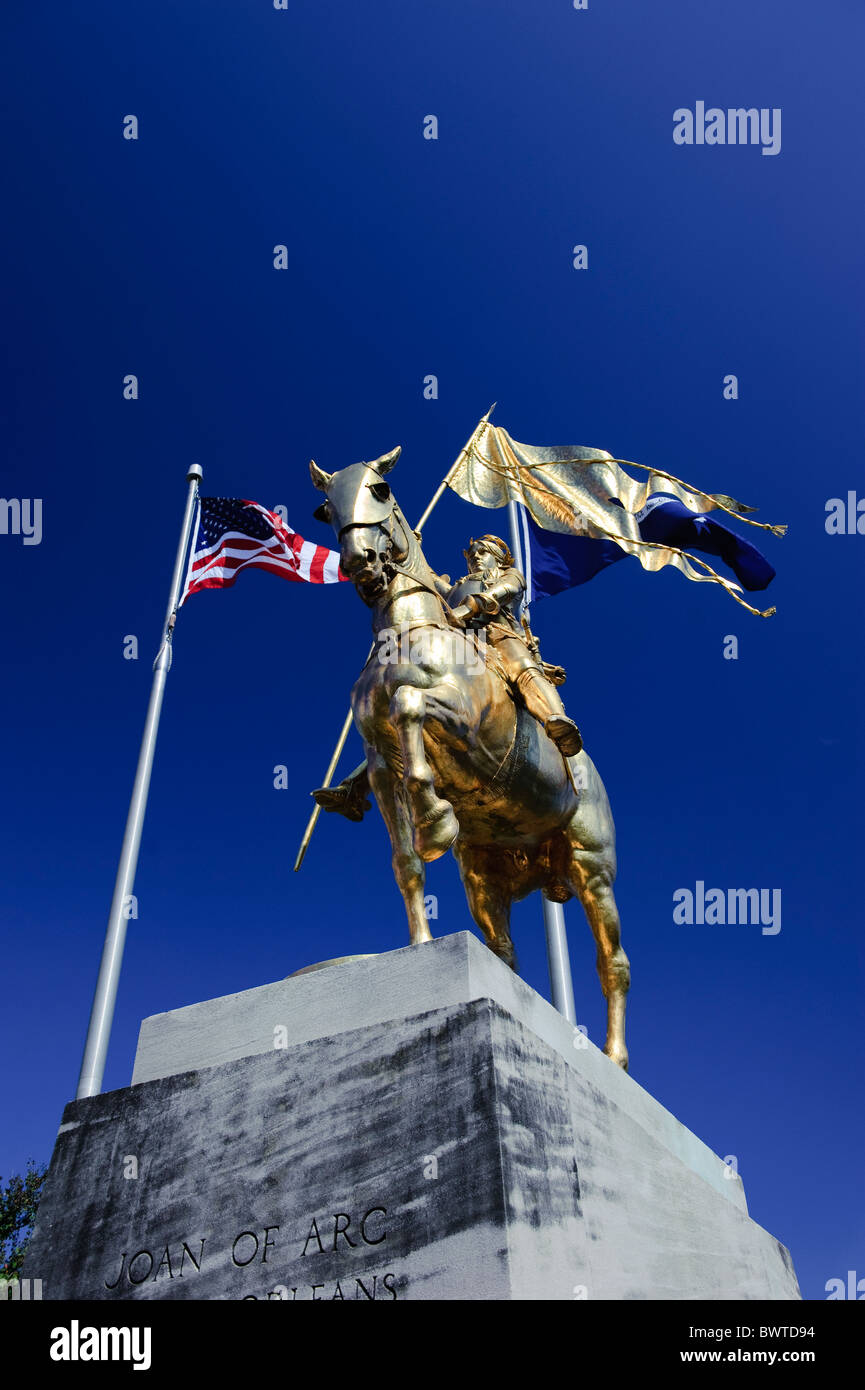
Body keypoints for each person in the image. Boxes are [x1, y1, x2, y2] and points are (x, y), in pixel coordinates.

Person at [313, 534, 581, 821]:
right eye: (473, 553)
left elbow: (502, 593)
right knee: (405, 714)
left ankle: (556, 720)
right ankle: (356, 787)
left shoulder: (509, 574)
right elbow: (423, 576)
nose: (476, 557)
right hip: (458, 642)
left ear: (498, 558)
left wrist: (468, 609)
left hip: (497, 638)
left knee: (523, 670)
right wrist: (405, 543)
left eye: (483, 552)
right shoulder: (455, 587)